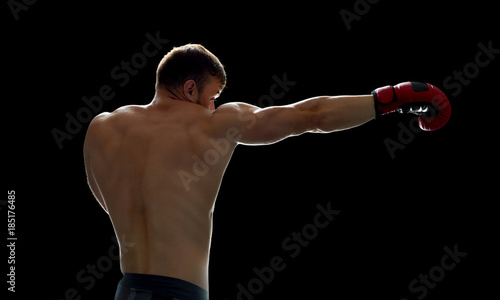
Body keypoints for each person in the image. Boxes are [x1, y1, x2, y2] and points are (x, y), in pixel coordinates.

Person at [83, 44, 451, 300]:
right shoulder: (214, 123)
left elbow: (108, 202)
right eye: (213, 96)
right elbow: (312, 117)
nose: (214, 105)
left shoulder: (102, 127)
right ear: (190, 87)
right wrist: (390, 101)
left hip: (128, 290)